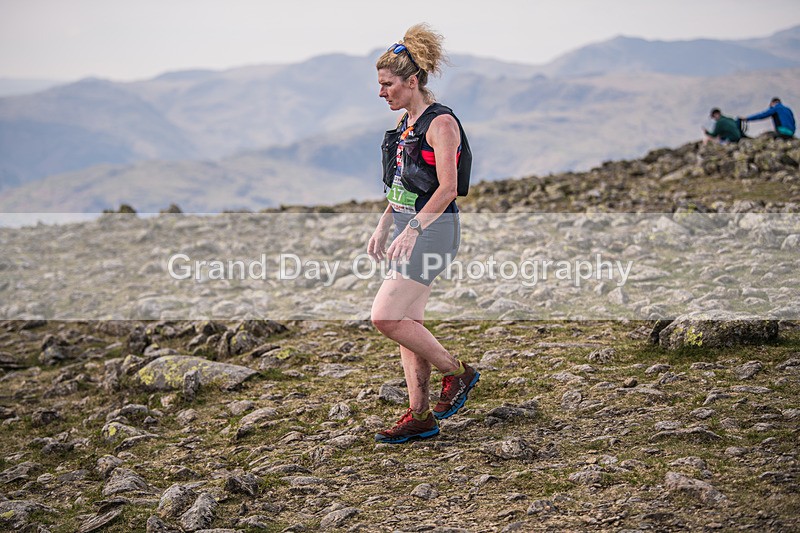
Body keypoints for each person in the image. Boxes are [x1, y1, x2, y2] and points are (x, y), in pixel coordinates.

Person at [367, 23, 479, 444]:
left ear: (411, 82)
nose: (382, 92)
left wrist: (412, 228)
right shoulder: (406, 123)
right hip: (408, 231)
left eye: (387, 84)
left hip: (434, 232)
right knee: (409, 322)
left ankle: (459, 373)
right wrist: (384, 224)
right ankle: (421, 415)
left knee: (386, 316)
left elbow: (447, 188)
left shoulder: (441, 124)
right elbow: (403, 184)